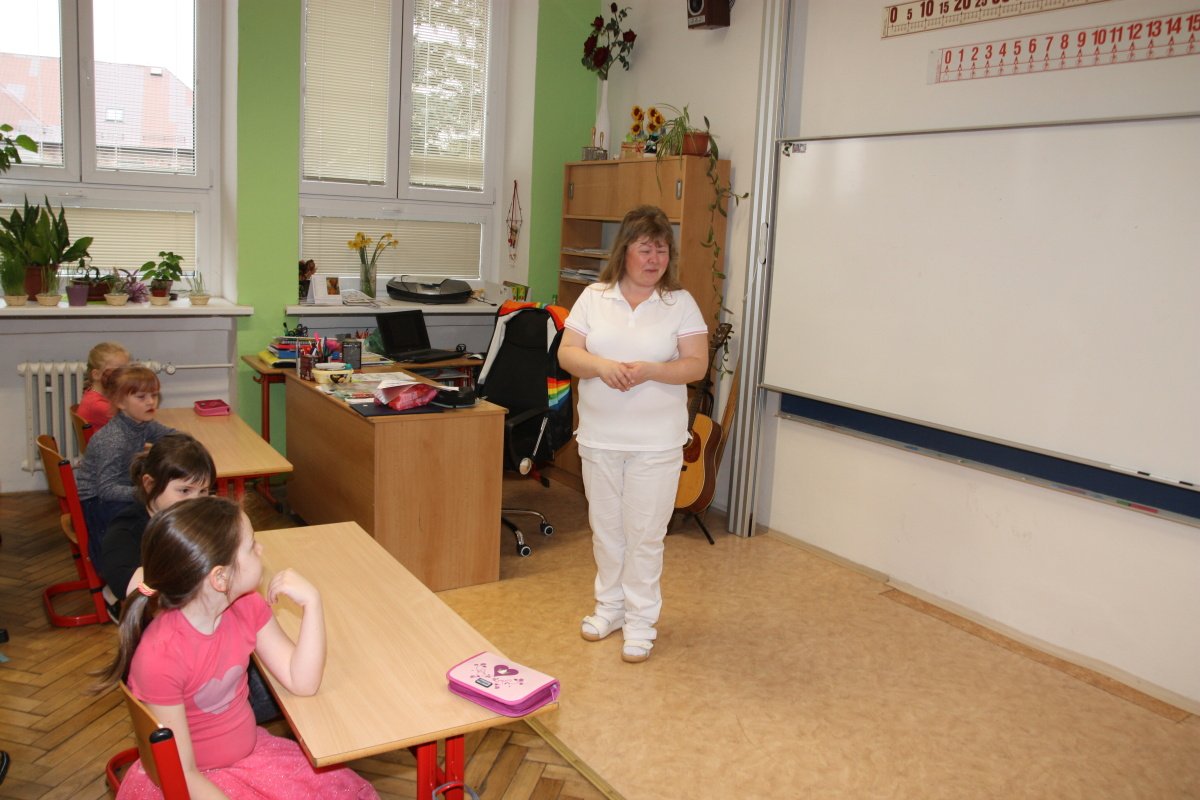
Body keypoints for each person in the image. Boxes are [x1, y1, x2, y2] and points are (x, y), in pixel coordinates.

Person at [95, 496, 378, 799]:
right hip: (196, 784)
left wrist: (313, 603)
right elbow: (183, 774)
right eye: (252, 546)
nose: (261, 549)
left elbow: (302, 682)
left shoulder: (246, 605)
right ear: (220, 577)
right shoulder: (160, 658)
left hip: (250, 757)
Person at [557, 205, 709, 663]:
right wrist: (601, 367)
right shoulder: (594, 296)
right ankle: (610, 609)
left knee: (644, 535)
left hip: (657, 444)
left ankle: (641, 622)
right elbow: (567, 353)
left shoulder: (679, 302)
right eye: (645, 249)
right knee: (606, 531)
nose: (654, 259)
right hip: (599, 438)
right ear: (624, 251)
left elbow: (696, 365)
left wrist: (652, 371)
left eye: (662, 250)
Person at [75, 364, 175, 568]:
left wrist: (190, 444)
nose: (151, 401)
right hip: (98, 503)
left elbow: (172, 435)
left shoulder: (142, 424)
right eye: (141, 397)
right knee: (152, 519)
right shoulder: (114, 439)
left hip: (119, 490)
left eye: (154, 395)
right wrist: (147, 493)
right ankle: (123, 575)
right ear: (120, 402)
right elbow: (107, 490)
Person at [100, 433, 216, 607]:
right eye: (185, 491)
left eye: (203, 491)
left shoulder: (197, 516)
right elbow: (125, 585)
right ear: (150, 484)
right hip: (152, 612)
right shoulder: (127, 528)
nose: (195, 502)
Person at [76, 341, 131, 431]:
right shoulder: (98, 406)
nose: (124, 376)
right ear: (96, 375)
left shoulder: (94, 395)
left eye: (126, 371)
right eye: (117, 371)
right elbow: (135, 425)